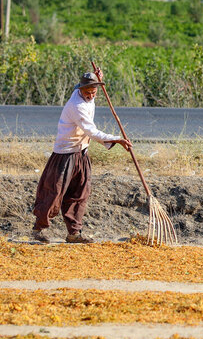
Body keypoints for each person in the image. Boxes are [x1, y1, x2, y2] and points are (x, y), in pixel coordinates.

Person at [32, 70, 132, 243]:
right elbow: (91, 131)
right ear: (80, 89)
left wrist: (99, 78)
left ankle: (74, 233)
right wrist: (117, 139)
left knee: (80, 193)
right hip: (65, 153)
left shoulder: (88, 93)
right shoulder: (77, 106)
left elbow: (92, 88)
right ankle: (38, 229)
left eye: (94, 92)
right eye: (87, 92)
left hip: (82, 151)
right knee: (54, 192)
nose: (90, 95)